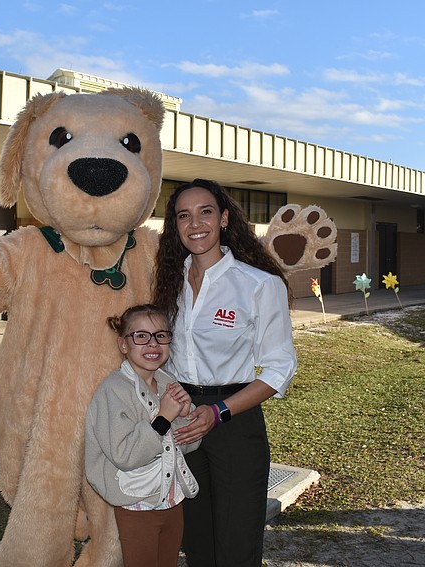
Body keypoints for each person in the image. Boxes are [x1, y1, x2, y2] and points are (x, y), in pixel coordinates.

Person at [152, 179, 298, 567]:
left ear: (224, 219)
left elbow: (280, 367)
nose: (195, 223)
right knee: (197, 540)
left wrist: (217, 412)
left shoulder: (258, 284)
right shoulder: (168, 281)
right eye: (183, 215)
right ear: (175, 225)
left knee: (236, 544)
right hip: (182, 418)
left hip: (234, 420)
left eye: (205, 212)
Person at [85, 304, 202, 567]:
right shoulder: (113, 391)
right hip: (138, 505)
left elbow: (189, 444)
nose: (152, 344)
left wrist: (185, 415)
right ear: (123, 344)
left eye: (161, 335)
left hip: (172, 499)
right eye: (141, 336)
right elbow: (124, 455)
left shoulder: (168, 382)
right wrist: (164, 418)